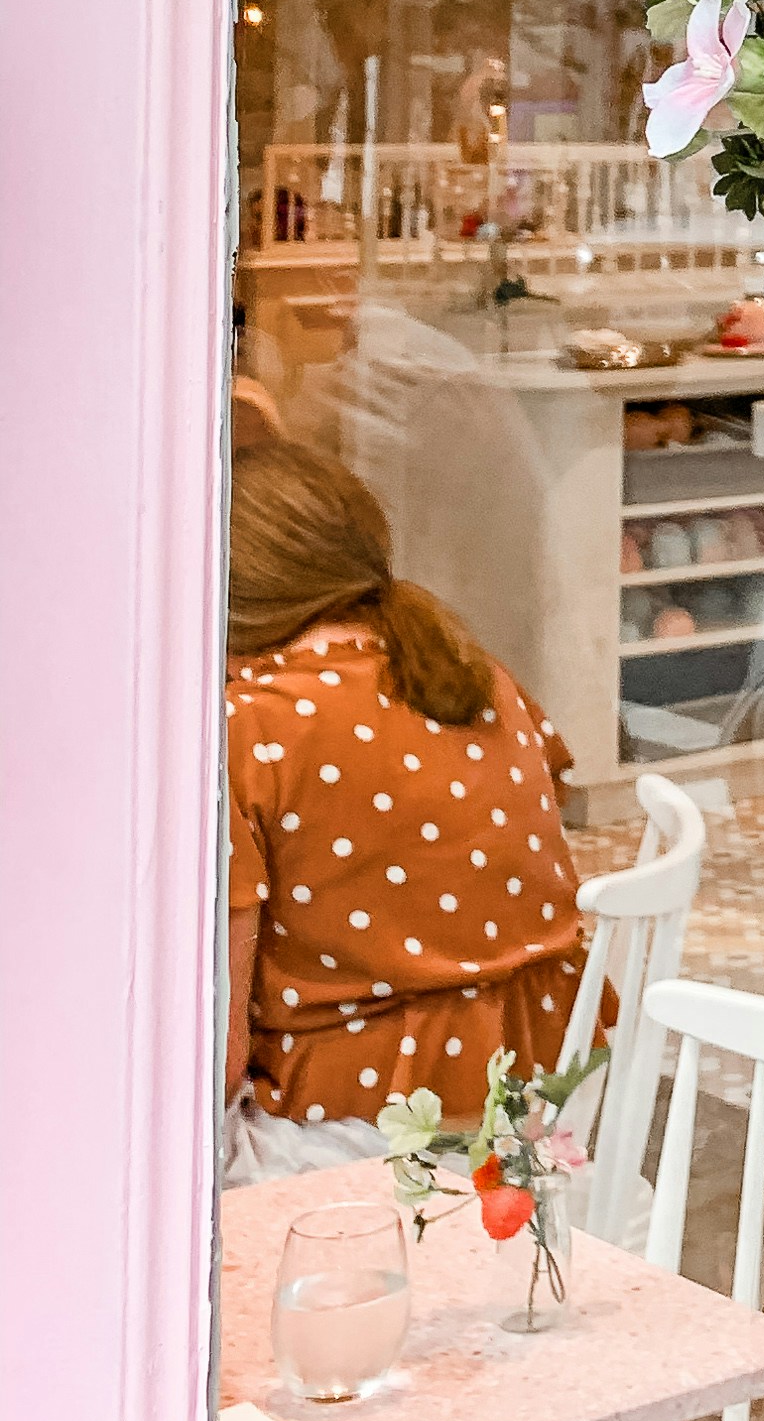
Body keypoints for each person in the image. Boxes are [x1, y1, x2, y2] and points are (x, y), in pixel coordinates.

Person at [224, 439, 584, 1176]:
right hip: (543, 1104)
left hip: (351, 1137)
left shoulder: (247, 727)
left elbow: (216, 1044)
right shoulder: (475, 676)